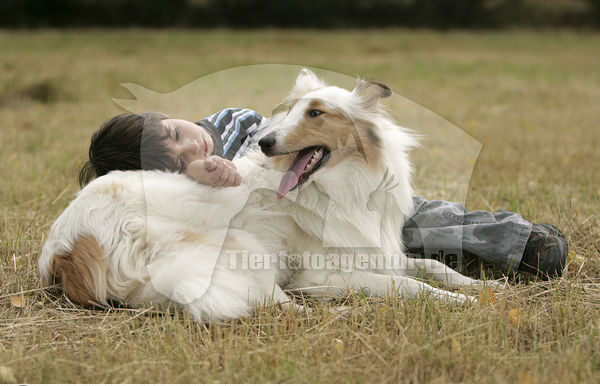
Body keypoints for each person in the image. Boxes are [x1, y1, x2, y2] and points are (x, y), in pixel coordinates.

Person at [78, 109, 568, 279]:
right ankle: (478, 257)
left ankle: (518, 241)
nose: (194, 144)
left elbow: (278, 139)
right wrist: (199, 176)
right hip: (309, 229)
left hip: (337, 198)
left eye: (176, 130)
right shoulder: (194, 182)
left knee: (420, 219)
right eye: (179, 156)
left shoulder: (229, 121)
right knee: (403, 251)